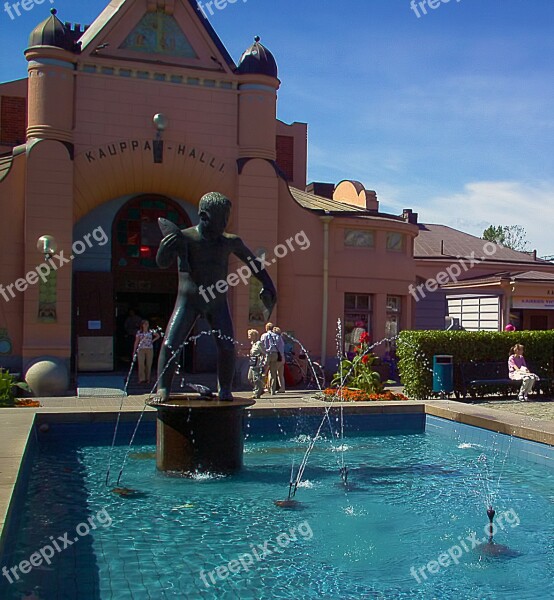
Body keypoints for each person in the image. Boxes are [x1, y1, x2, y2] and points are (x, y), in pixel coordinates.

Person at [156, 192, 276, 401]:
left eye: (227, 218)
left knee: (227, 347)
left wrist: (268, 284)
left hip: (216, 302)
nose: (225, 223)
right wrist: (164, 249)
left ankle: (225, 388)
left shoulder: (229, 242)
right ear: (204, 216)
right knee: (170, 344)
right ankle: (163, 388)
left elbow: (253, 263)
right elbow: (162, 262)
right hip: (189, 302)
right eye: (222, 218)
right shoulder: (185, 238)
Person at [260, 322, 280, 395]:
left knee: (263, 371)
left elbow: (261, 345)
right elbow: (279, 345)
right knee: (273, 372)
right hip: (275, 354)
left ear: (266, 328)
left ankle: (261, 388)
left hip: (267, 354)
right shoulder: (276, 336)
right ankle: (272, 390)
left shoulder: (263, 335)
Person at [247, 329, 265, 399]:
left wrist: (263, 362)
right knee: (250, 378)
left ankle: (257, 393)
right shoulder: (253, 343)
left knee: (256, 379)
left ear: (254, 336)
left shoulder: (259, 343)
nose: (248, 336)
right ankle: (260, 389)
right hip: (252, 362)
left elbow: (264, 352)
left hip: (257, 363)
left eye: (250, 335)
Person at [273, 326, 286, 392]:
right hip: (282, 357)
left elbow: (275, 348)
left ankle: (272, 387)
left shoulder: (275, 338)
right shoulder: (281, 338)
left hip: (278, 357)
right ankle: (282, 388)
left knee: (272, 372)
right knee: (280, 374)